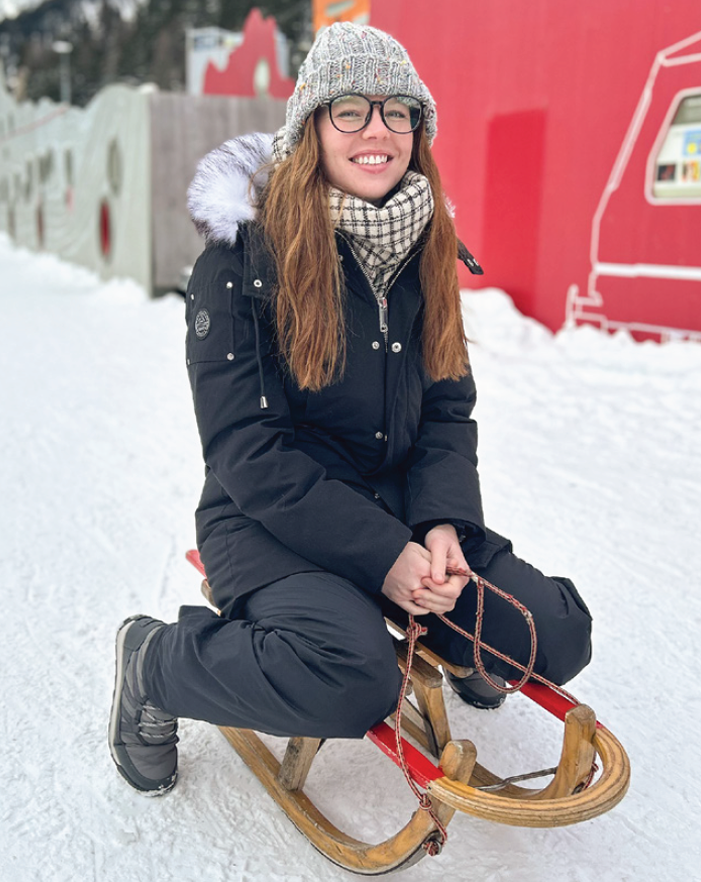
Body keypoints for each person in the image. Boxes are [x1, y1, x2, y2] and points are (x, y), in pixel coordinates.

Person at [108, 22, 593, 796]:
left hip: (402, 504)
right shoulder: (240, 261)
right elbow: (246, 451)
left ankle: (456, 636)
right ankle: (154, 662)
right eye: (350, 111)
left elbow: (445, 408)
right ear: (310, 127)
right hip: (267, 520)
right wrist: (383, 557)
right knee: (353, 679)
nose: (377, 130)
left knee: (557, 635)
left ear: (418, 130)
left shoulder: (425, 248)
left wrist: (439, 525)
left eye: (397, 111)